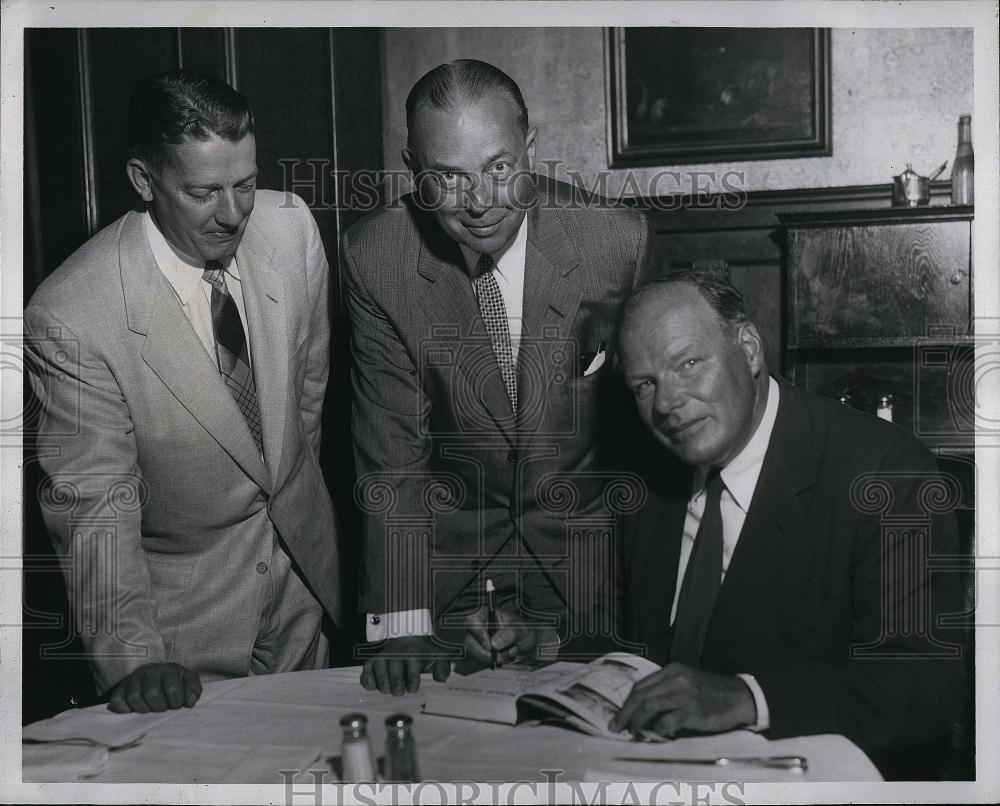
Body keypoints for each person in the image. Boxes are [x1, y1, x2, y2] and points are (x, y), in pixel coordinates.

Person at [24, 69, 341, 713]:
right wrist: (134, 661)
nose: (233, 214)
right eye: (203, 192)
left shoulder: (291, 228)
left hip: (307, 608)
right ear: (145, 181)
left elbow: (306, 404)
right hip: (180, 651)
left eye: (245, 184)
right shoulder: (72, 315)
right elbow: (95, 511)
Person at [342, 59, 661, 694]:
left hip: (589, 583)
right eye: (449, 178)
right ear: (413, 171)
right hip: (448, 583)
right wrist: (405, 622)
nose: (481, 202)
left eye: (499, 168)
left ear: (531, 149)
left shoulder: (615, 243)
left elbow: (648, 448)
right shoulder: (376, 256)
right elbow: (391, 456)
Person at [608, 270, 964, 757]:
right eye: (644, 385)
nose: (667, 403)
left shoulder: (885, 473)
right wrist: (542, 642)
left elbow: (921, 686)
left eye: (688, 363)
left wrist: (747, 698)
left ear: (750, 348)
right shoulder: (645, 479)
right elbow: (627, 642)